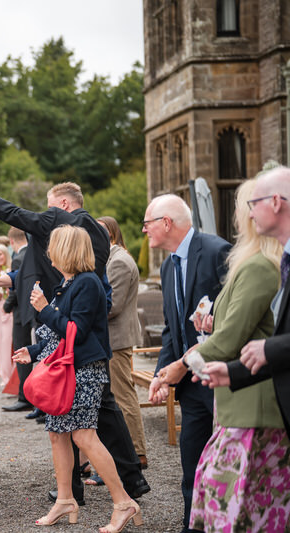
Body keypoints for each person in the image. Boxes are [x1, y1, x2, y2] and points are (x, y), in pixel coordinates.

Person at [0, 179, 150, 504]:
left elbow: (12, 213)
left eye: (50, 206)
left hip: (66, 324)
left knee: (68, 413)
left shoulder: (62, 224)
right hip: (89, 327)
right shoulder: (95, 230)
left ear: (63, 205)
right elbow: (53, 270)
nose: (44, 214)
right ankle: (130, 479)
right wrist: (11, 278)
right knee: (103, 406)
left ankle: (78, 492)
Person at [15, 226, 143, 531]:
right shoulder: (69, 282)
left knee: (84, 436)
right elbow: (58, 334)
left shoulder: (87, 283)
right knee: (57, 434)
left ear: (66, 251)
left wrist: (44, 309)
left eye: (52, 247)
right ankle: (65, 500)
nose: (48, 254)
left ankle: (123, 502)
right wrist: (33, 351)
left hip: (84, 371)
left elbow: (75, 332)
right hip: (68, 371)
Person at [182, 174, 290, 532]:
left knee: (241, 508)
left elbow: (249, 338)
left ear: (276, 202)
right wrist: (234, 372)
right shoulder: (271, 262)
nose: (247, 213)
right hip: (246, 389)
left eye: (251, 203)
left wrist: (181, 364)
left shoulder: (262, 266)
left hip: (261, 410)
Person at [142, 194, 230, 532]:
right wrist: (161, 375)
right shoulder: (167, 265)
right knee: (190, 459)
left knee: (227, 459)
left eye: (148, 223)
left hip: (222, 379)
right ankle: (192, 524)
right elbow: (171, 329)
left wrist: (186, 362)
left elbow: (233, 319)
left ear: (166, 223)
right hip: (189, 385)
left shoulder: (216, 251)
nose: (145, 230)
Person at [96, 216, 147, 470]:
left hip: (116, 339)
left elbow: (112, 306)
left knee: (122, 396)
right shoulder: (109, 259)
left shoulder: (119, 261)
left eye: (100, 231)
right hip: (111, 339)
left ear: (113, 235)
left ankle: (136, 453)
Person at [0, 227, 34, 412]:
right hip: (33, 312)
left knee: (22, 353)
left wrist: (7, 305)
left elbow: (16, 287)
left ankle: (25, 397)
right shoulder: (32, 254)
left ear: (11, 241)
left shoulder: (19, 258)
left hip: (22, 314)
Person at [0, 243, 15, 385]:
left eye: (0, 254)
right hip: (0, 308)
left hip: (9, 309)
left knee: (7, 341)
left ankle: (9, 375)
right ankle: (3, 372)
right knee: (1, 340)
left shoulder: (11, 271)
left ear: (6, 254)